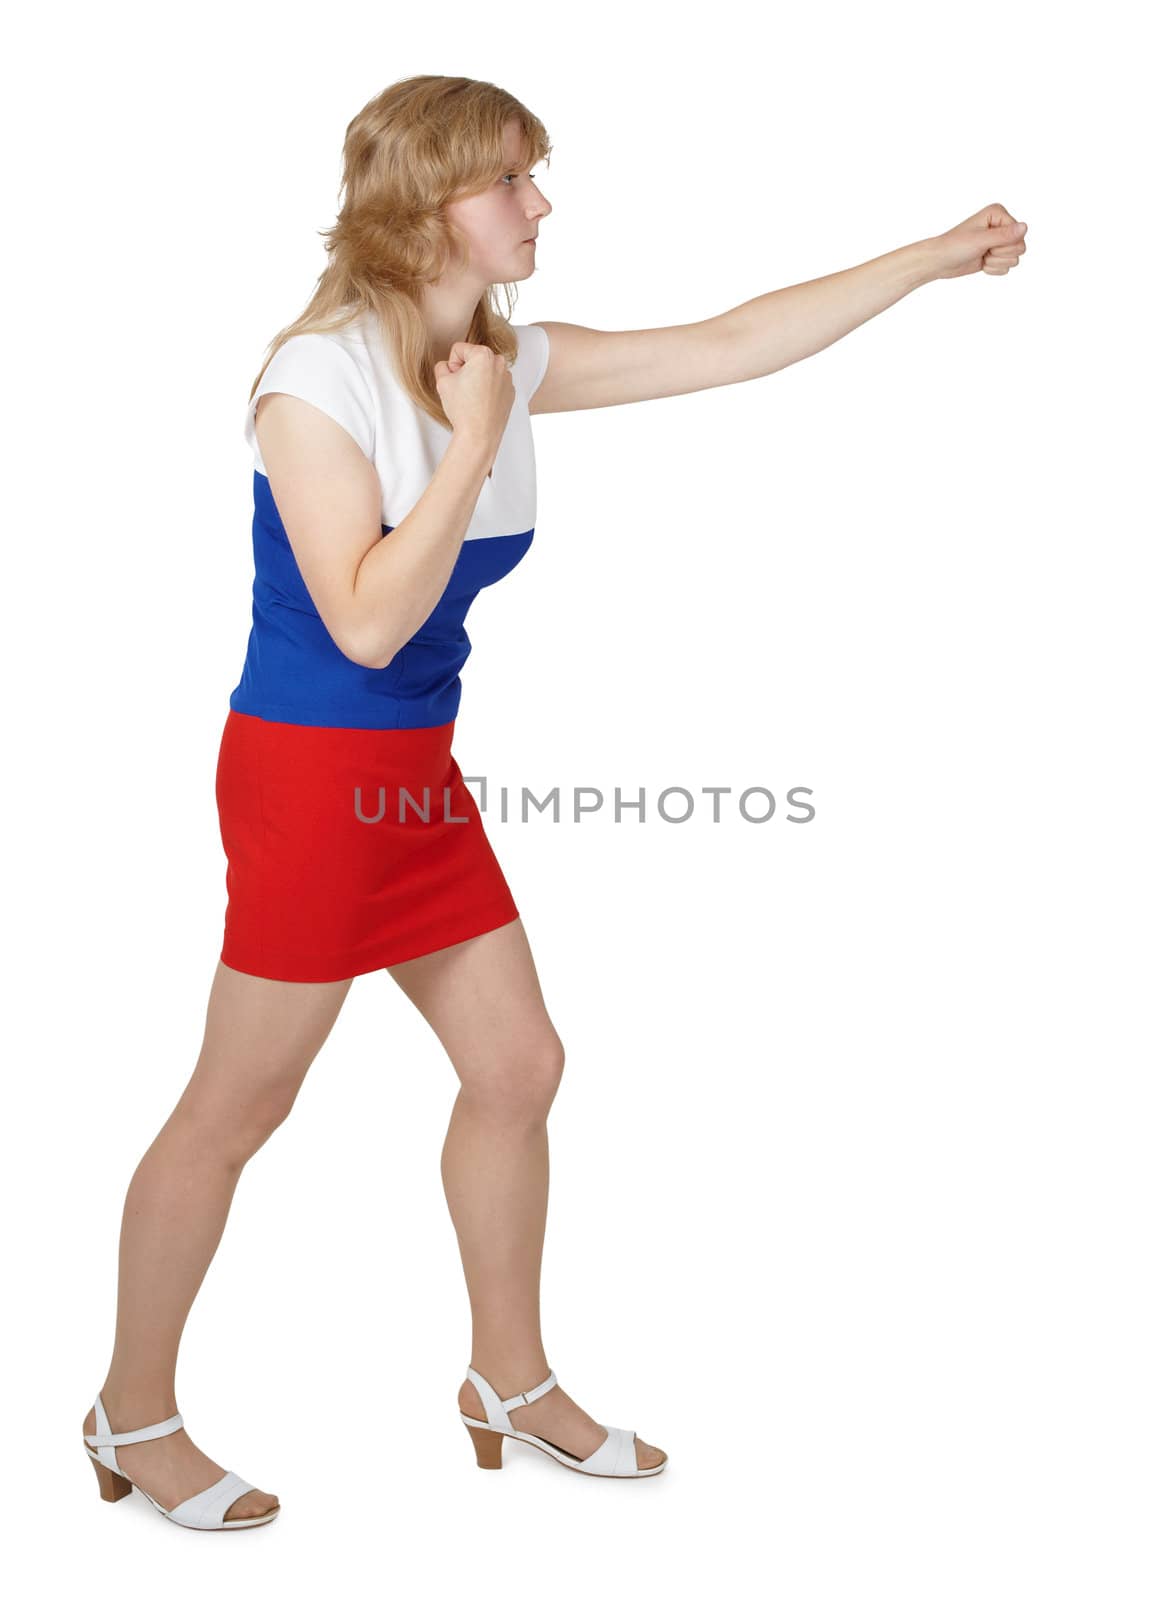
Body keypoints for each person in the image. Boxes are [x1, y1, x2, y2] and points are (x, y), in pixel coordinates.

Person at [81, 73, 1028, 1531]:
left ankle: (507, 1383)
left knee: (516, 1066)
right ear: (425, 210)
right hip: (310, 778)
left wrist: (925, 256)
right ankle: (129, 1412)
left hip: (410, 781)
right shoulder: (314, 382)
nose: (541, 204)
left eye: (535, 175)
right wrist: (464, 446)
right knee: (237, 1104)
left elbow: (727, 343)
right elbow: (364, 630)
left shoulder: (496, 360)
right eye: (512, 181)